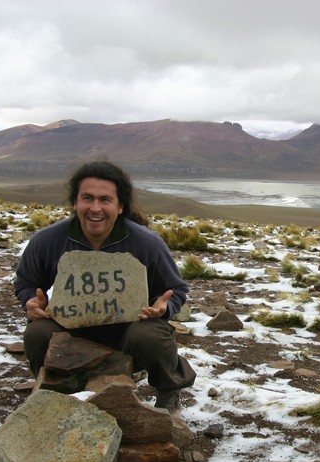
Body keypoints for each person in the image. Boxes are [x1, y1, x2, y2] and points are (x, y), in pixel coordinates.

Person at [13, 160, 195, 412]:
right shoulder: (47, 240)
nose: (95, 208)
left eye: (105, 200)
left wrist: (163, 307)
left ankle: (169, 389)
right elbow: (25, 282)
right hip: (71, 328)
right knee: (37, 332)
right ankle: (53, 387)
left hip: (128, 331)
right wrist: (30, 303)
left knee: (151, 333)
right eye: (87, 198)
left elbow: (176, 289)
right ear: (75, 203)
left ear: (120, 206)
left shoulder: (147, 243)